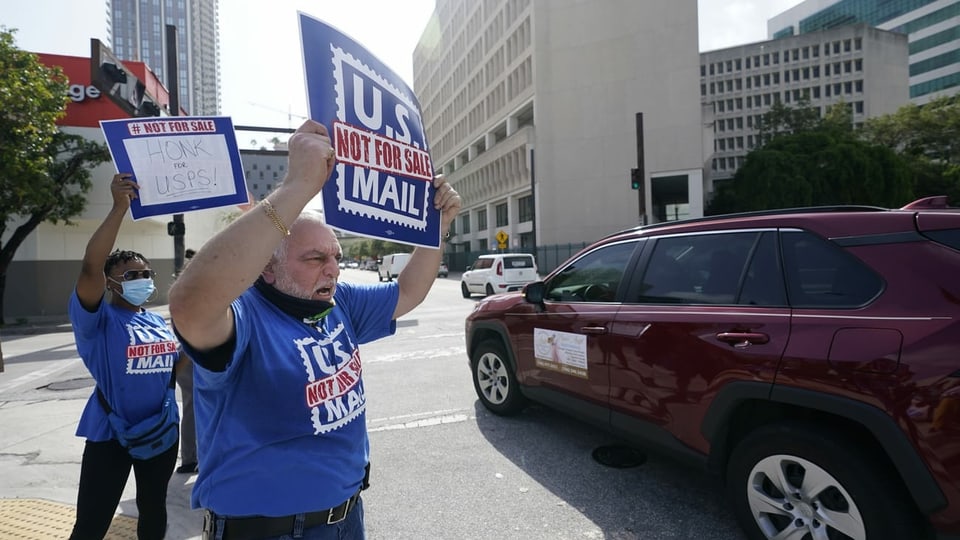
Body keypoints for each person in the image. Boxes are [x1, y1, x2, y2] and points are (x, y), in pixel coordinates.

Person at [168, 119, 461, 540]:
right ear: (267, 265)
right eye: (315, 258)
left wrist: (437, 226)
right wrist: (296, 187)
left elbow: (409, 291)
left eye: (336, 256)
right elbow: (189, 305)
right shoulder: (245, 317)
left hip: (346, 519)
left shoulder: (338, 301)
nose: (334, 268)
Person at [68, 173, 181, 540]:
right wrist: (120, 208)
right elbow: (90, 266)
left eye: (146, 273)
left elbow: (178, 366)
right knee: (92, 523)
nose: (142, 278)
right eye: (131, 274)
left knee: (153, 512)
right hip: (110, 436)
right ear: (110, 282)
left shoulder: (158, 322)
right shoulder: (97, 320)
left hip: (161, 432)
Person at [175, 248, 198, 475]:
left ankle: (191, 458)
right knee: (196, 408)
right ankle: (191, 458)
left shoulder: (185, 288)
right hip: (193, 355)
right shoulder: (195, 290)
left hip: (190, 353)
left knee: (193, 407)